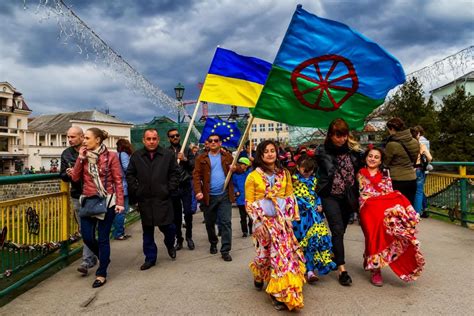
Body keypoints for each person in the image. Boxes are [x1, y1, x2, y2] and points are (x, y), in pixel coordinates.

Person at [245, 140, 305, 311]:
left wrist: (289, 219)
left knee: (280, 258)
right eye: (266, 151)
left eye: (273, 150)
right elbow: (249, 201)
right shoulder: (253, 176)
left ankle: (277, 292)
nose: (270, 154)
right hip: (263, 223)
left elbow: (289, 196)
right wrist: (257, 222)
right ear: (260, 155)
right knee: (263, 257)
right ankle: (259, 275)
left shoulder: (284, 173)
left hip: (280, 222)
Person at [357, 146, 425, 286]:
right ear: (365, 157)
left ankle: (375, 268)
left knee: (385, 230)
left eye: (376, 157)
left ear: (381, 160)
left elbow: (388, 192)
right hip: (367, 206)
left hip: (381, 205)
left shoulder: (385, 173)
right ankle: (373, 264)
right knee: (371, 234)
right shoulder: (359, 173)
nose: (373, 159)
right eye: (370, 156)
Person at [70, 128, 124, 288]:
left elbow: (118, 180)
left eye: (87, 138)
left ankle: (101, 273)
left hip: (107, 201)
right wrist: (80, 158)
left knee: (103, 238)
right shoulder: (84, 157)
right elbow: (75, 178)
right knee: (86, 236)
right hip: (87, 200)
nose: (84, 141)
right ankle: (104, 257)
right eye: (84, 138)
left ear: (98, 140)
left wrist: (120, 202)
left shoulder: (111, 156)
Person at [315, 118, 362, 286]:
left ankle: (335, 252)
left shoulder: (354, 152)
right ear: (330, 135)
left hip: (348, 196)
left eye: (344, 135)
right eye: (338, 135)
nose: (341, 139)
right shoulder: (321, 151)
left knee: (341, 230)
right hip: (330, 196)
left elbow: (366, 167)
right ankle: (342, 269)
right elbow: (307, 168)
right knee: (336, 229)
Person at [126, 129, 180, 270]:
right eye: (148, 139)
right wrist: (137, 190)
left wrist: (168, 189)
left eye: (154, 138)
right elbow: (130, 175)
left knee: (169, 227)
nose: (151, 141)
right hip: (145, 200)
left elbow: (175, 174)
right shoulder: (137, 156)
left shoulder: (167, 155)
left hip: (163, 198)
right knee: (147, 230)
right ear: (144, 140)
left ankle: (170, 244)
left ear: (158, 139)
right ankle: (150, 258)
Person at [192, 133, 240, 262]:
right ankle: (213, 242)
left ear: (220, 143)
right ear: (207, 143)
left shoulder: (227, 157)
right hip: (208, 196)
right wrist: (198, 191)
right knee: (209, 223)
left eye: (216, 140)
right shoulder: (201, 158)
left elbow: (240, 169)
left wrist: (235, 168)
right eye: (210, 140)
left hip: (224, 195)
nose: (213, 142)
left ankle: (225, 250)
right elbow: (196, 176)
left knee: (226, 223)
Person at [292, 157, 336, 284]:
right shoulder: (293, 181)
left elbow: (317, 195)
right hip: (298, 217)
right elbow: (291, 197)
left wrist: (319, 204)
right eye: (304, 169)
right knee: (299, 243)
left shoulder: (315, 181)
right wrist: (300, 204)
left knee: (313, 242)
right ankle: (299, 268)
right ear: (298, 167)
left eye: (310, 170)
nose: (307, 172)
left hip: (313, 216)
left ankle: (310, 271)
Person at [60, 126, 97, 276]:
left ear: (82, 137)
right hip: (77, 195)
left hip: (94, 195)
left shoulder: (91, 149)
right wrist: (68, 174)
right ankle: (88, 259)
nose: (70, 139)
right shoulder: (66, 154)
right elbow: (62, 175)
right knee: (84, 229)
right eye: (68, 137)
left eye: (73, 137)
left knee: (96, 227)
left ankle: (96, 255)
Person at [167, 128, 195, 250]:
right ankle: (179, 239)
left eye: (177, 135)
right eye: (172, 136)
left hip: (185, 185)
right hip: (173, 187)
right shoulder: (166, 152)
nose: (175, 138)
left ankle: (189, 237)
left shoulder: (187, 150)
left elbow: (193, 166)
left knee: (188, 212)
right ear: (169, 138)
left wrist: (185, 159)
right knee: (176, 216)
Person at [385, 117, 420, 205]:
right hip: (412, 179)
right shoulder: (415, 141)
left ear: (392, 129)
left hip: (397, 180)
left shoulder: (392, 145)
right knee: (408, 207)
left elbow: (385, 162)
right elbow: (414, 158)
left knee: (397, 209)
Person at [112, 138, 134, 240]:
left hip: (116, 187)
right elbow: (127, 168)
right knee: (122, 211)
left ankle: (117, 231)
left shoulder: (116, 155)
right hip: (123, 186)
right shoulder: (124, 155)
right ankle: (119, 233)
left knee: (117, 211)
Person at [410, 127, 433, 215]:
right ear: (418, 134)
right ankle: (417, 213)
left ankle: (409, 211)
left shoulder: (407, 145)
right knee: (419, 191)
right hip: (419, 169)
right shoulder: (421, 145)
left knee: (410, 190)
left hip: (409, 169)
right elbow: (430, 158)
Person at [232, 157, 253, 237]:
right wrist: (236, 191)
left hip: (249, 198)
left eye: (244, 165)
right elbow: (233, 185)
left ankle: (251, 229)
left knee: (251, 216)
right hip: (240, 198)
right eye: (241, 164)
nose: (242, 166)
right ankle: (244, 231)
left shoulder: (249, 173)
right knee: (242, 217)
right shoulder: (235, 175)